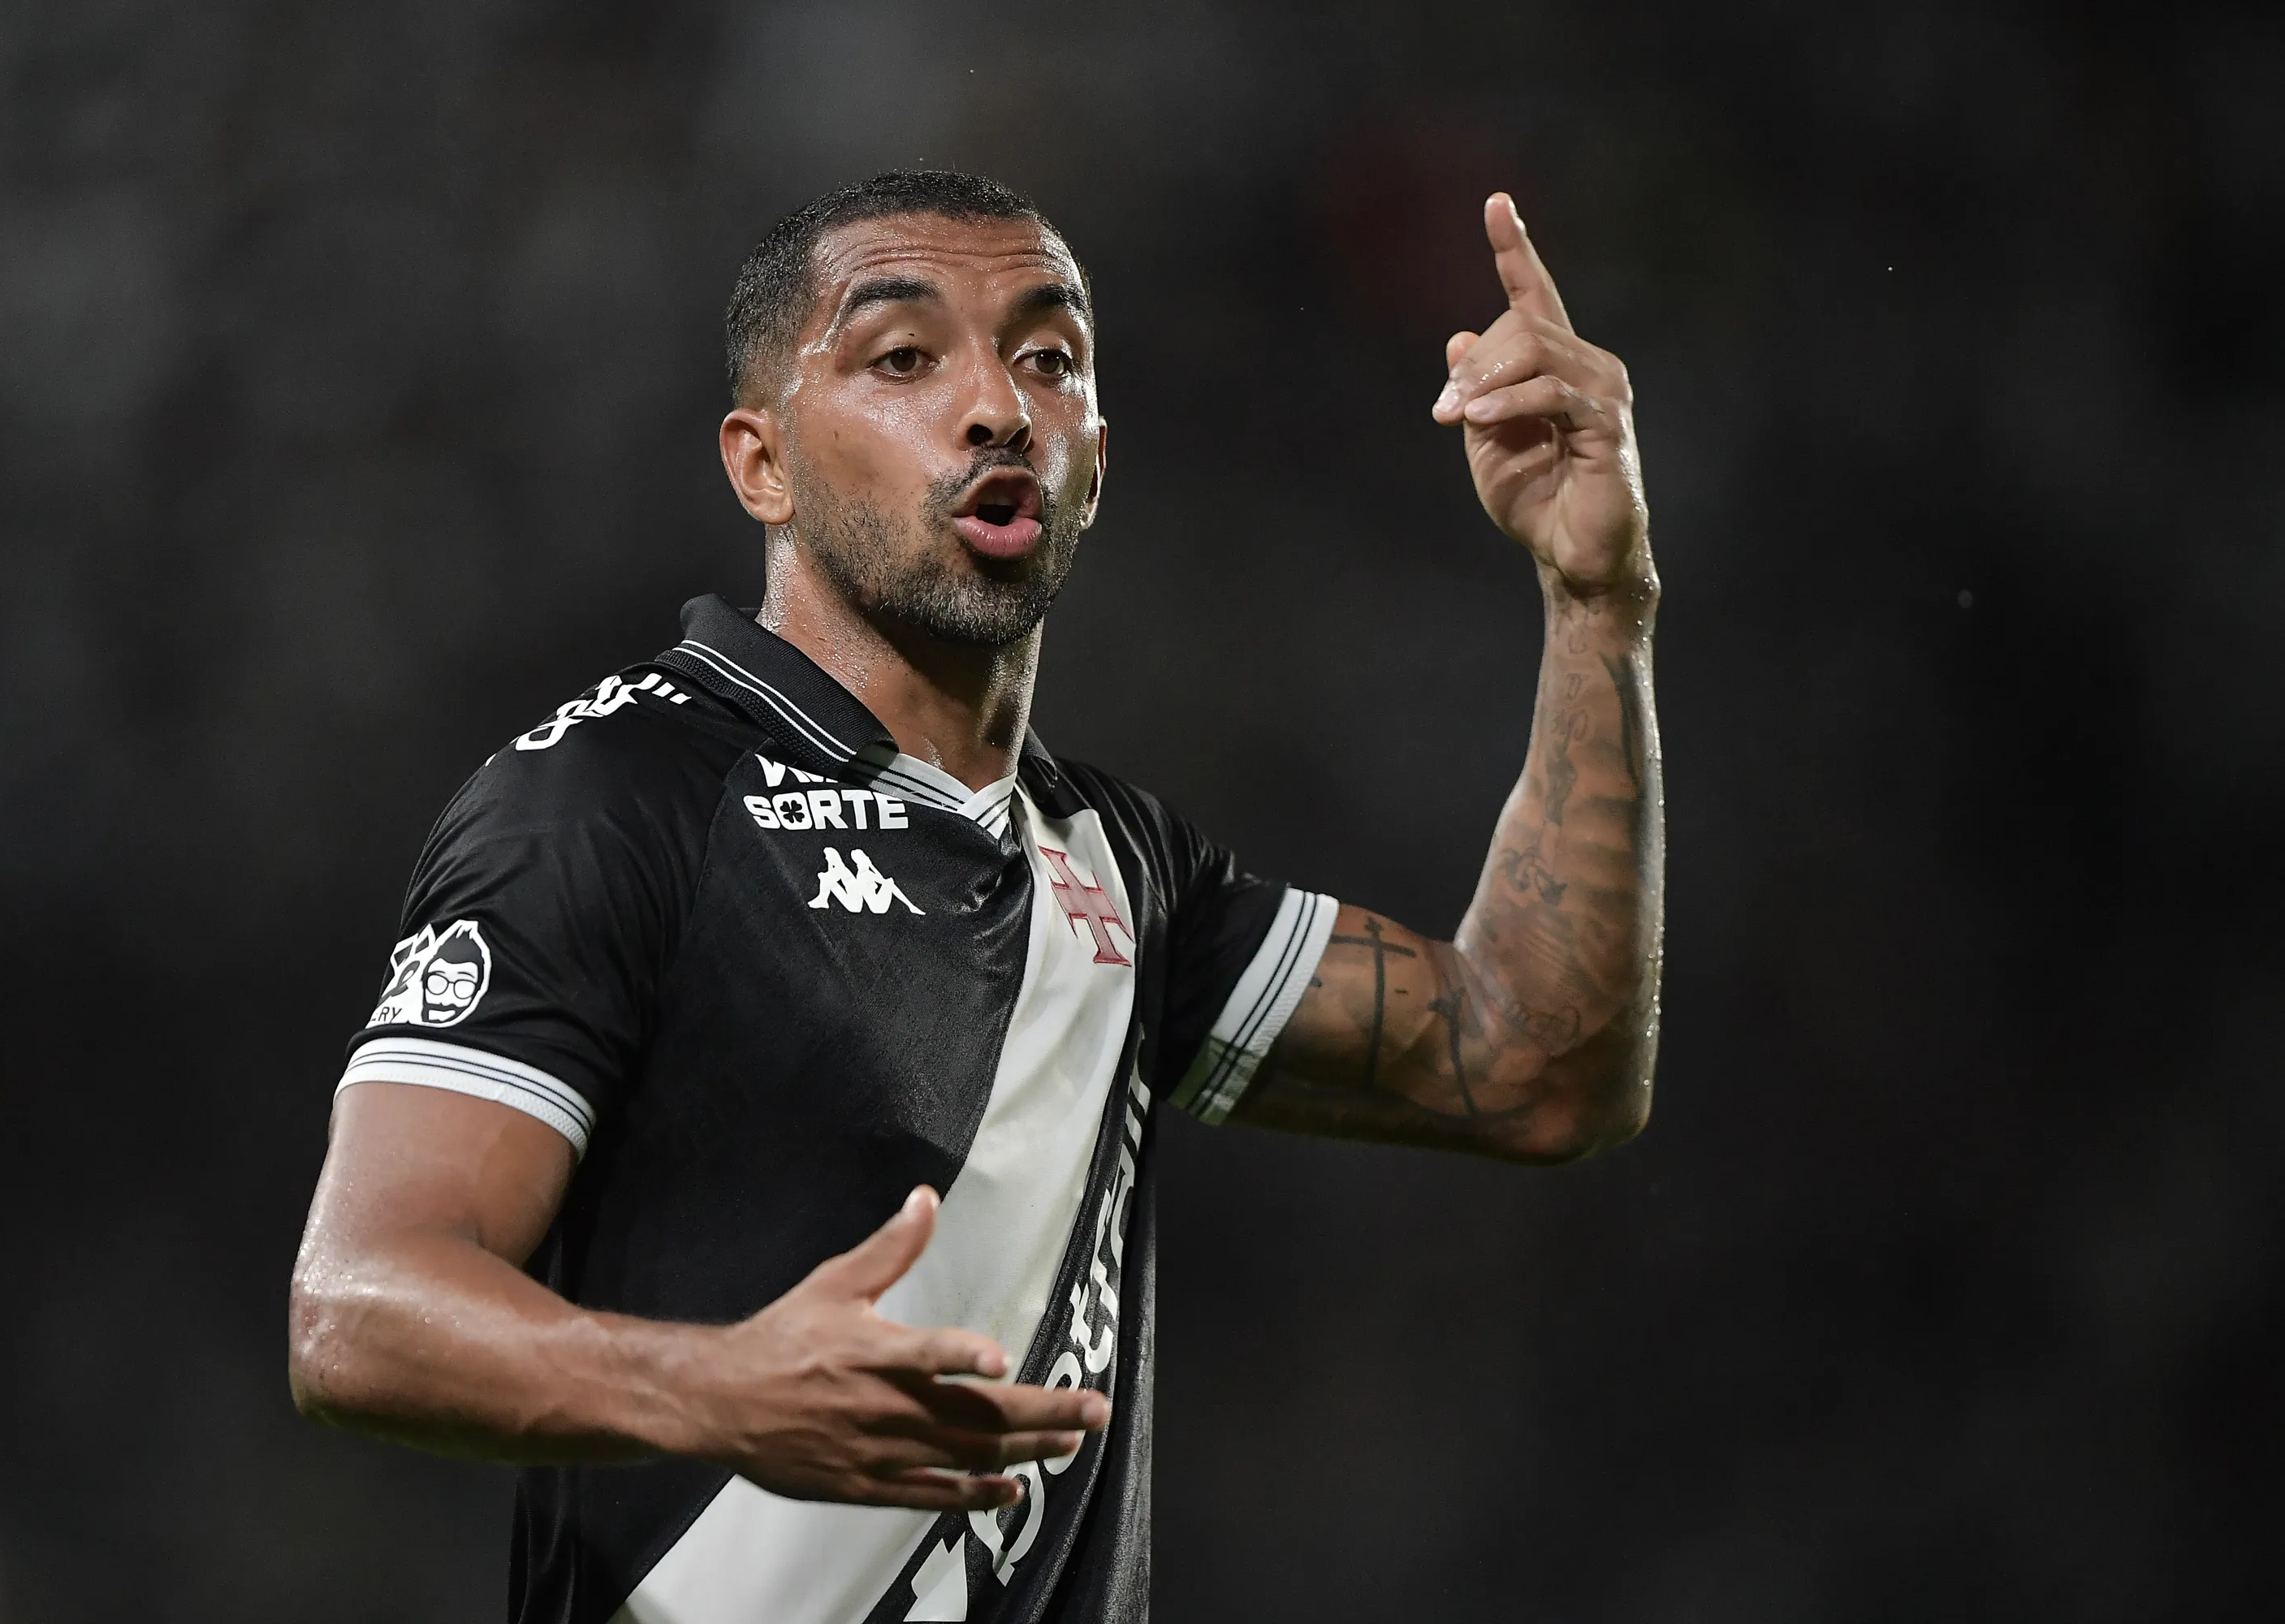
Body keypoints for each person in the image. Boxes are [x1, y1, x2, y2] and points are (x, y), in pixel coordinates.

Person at [287, 169, 1663, 1624]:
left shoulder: (1123, 868)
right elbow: (357, 1312)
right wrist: (718, 1388)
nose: (999, 406)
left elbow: (1538, 1067)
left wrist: (1600, 604)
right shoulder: (611, 800)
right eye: (903, 358)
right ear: (762, 465)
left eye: (1049, 359)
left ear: (1096, 462)